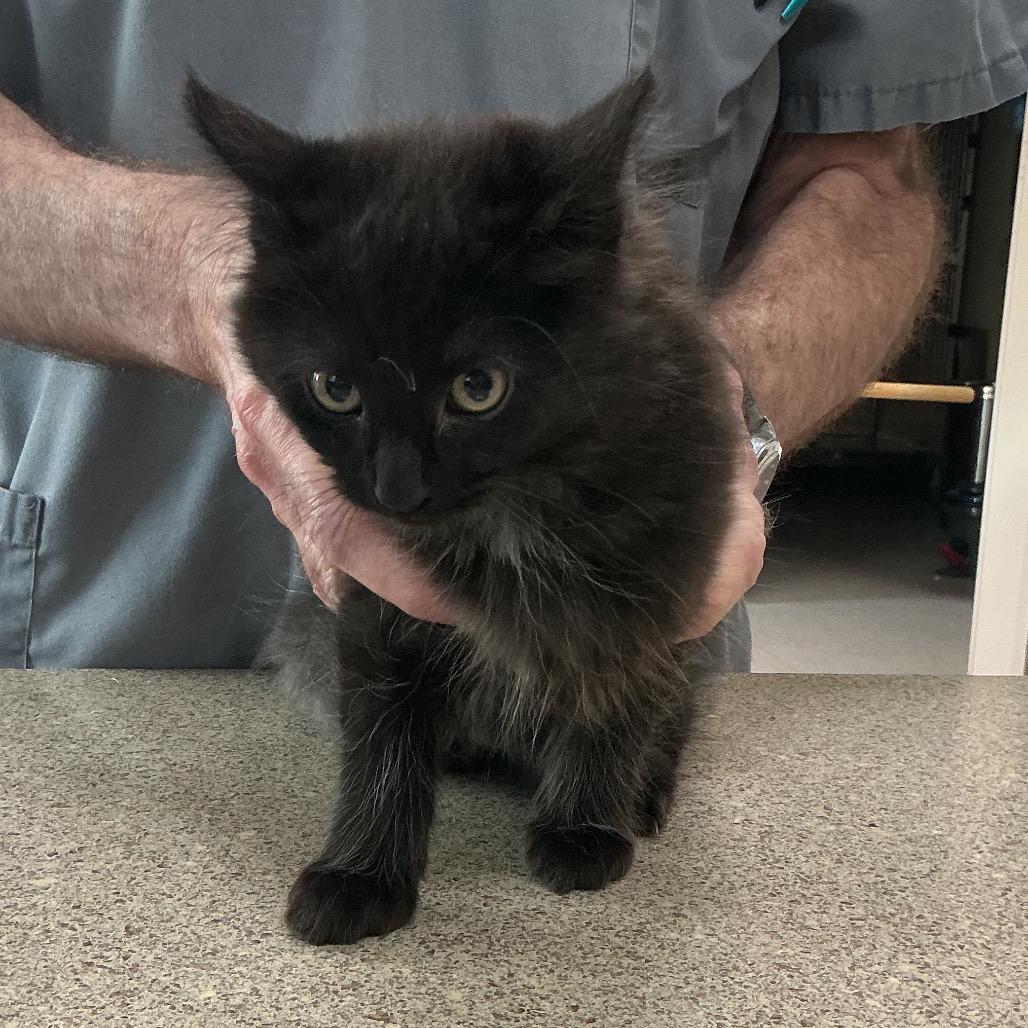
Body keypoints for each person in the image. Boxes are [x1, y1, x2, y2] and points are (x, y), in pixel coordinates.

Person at [1, 2, 1025, 669]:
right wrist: (193, 268)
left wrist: (722, 402)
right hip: (109, 653)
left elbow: (865, 172)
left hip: (607, 637)